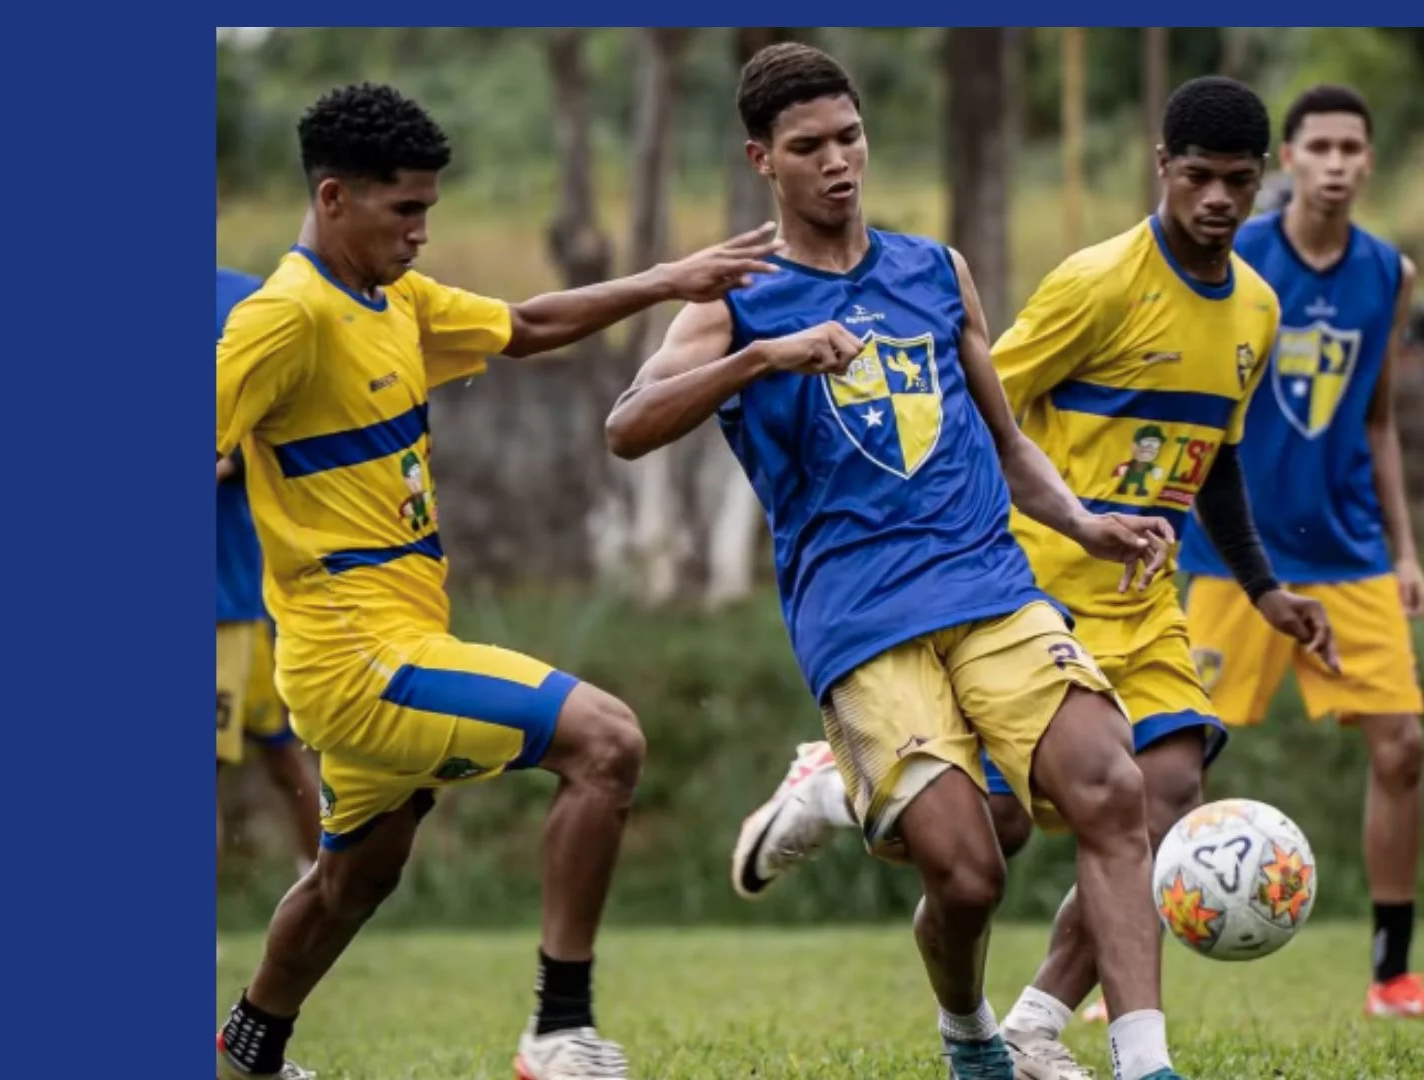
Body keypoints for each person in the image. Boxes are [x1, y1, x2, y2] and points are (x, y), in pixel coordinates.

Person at [726, 76, 1340, 1080]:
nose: (1219, 199)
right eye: (1199, 178)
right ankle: (841, 785)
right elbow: (978, 408)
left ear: (1261, 181)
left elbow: (1214, 456)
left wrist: (1263, 584)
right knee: (988, 841)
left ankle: (1047, 1026)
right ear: (1162, 171)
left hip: (1145, 597)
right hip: (1036, 583)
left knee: (1161, 794)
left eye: (1238, 181)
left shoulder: (1258, 310)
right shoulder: (1098, 282)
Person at [606, 43, 1195, 1080]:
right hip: (862, 617)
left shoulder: (935, 270)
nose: (837, 162)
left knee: (1113, 789)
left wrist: (1087, 523)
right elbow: (627, 424)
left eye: (849, 137)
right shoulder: (736, 298)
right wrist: (762, 358)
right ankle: (969, 1032)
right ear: (761, 160)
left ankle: (1147, 1064)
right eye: (807, 147)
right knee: (969, 876)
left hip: (990, 585)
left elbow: (1008, 443)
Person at [213, 81, 785, 1080]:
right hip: (361, 660)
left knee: (355, 879)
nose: (423, 233)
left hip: (396, 640)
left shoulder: (390, 298)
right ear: (334, 197)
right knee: (607, 743)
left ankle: (249, 1045)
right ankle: (557, 1031)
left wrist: (668, 280)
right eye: (406, 211)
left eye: (430, 210)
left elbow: (524, 324)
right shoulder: (284, 318)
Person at [1175, 83, 1424, 1021]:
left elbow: (1378, 421)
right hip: (1234, 555)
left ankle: (1393, 976)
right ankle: (1124, 968)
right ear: (1290, 161)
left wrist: (1404, 550)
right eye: (1322, 147)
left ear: (1368, 161)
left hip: (1347, 552)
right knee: (1176, 760)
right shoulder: (1235, 255)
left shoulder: (1389, 272)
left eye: (1355, 147)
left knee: (1402, 746)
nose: (1339, 163)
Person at [216, 266, 323, 966]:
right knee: (277, 744)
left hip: (220, 599)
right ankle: (334, 889)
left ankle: (333, 890)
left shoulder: (250, 305)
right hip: (234, 599)